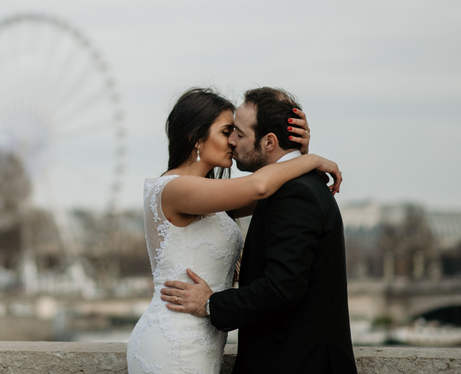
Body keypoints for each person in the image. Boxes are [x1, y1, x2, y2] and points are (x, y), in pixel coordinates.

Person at [127, 88, 341, 374]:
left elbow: (275, 192)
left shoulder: (211, 195)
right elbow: (260, 186)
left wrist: (293, 153)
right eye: (227, 131)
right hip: (174, 339)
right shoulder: (176, 188)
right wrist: (312, 159)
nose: (232, 141)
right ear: (195, 137)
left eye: (236, 132)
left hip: (200, 340)